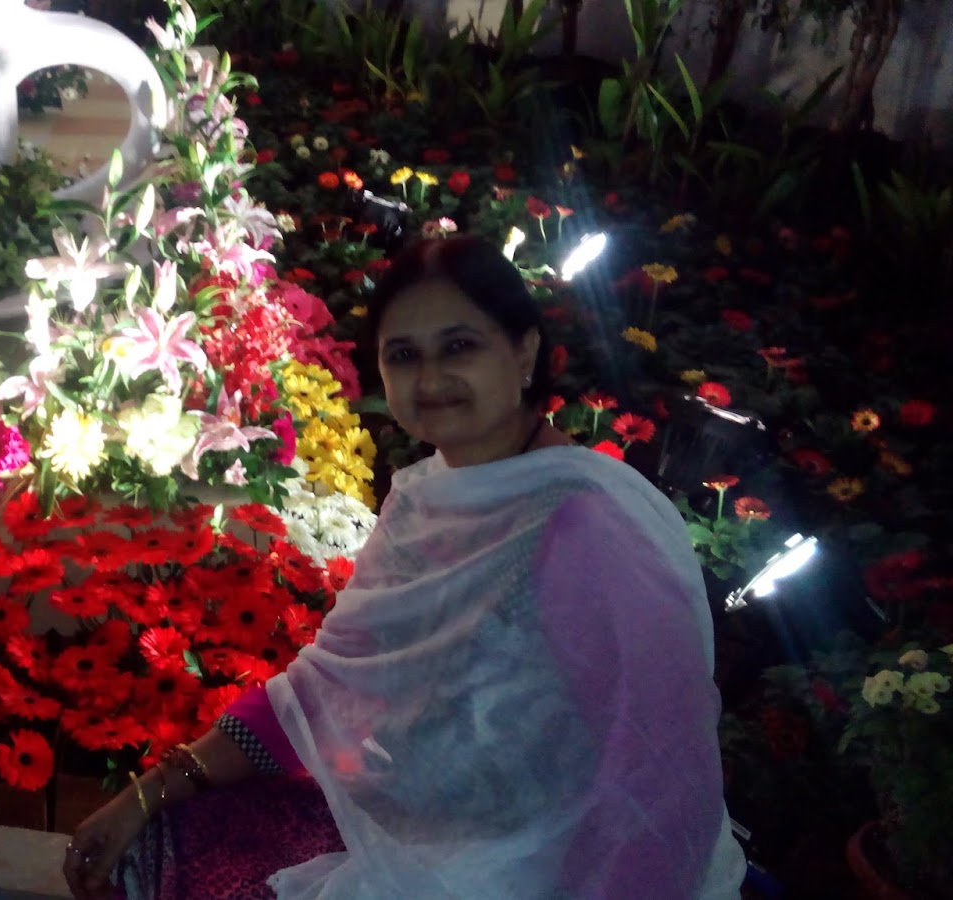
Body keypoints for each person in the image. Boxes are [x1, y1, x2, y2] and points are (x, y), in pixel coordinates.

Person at [62, 236, 748, 899]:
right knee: (151, 850)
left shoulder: (584, 526)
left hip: (565, 872)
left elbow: (662, 780)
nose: (431, 379)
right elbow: (324, 689)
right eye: (404, 355)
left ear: (524, 351)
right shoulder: (429, 499)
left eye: (460, 346)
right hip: (442, 847)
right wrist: (152, 790)